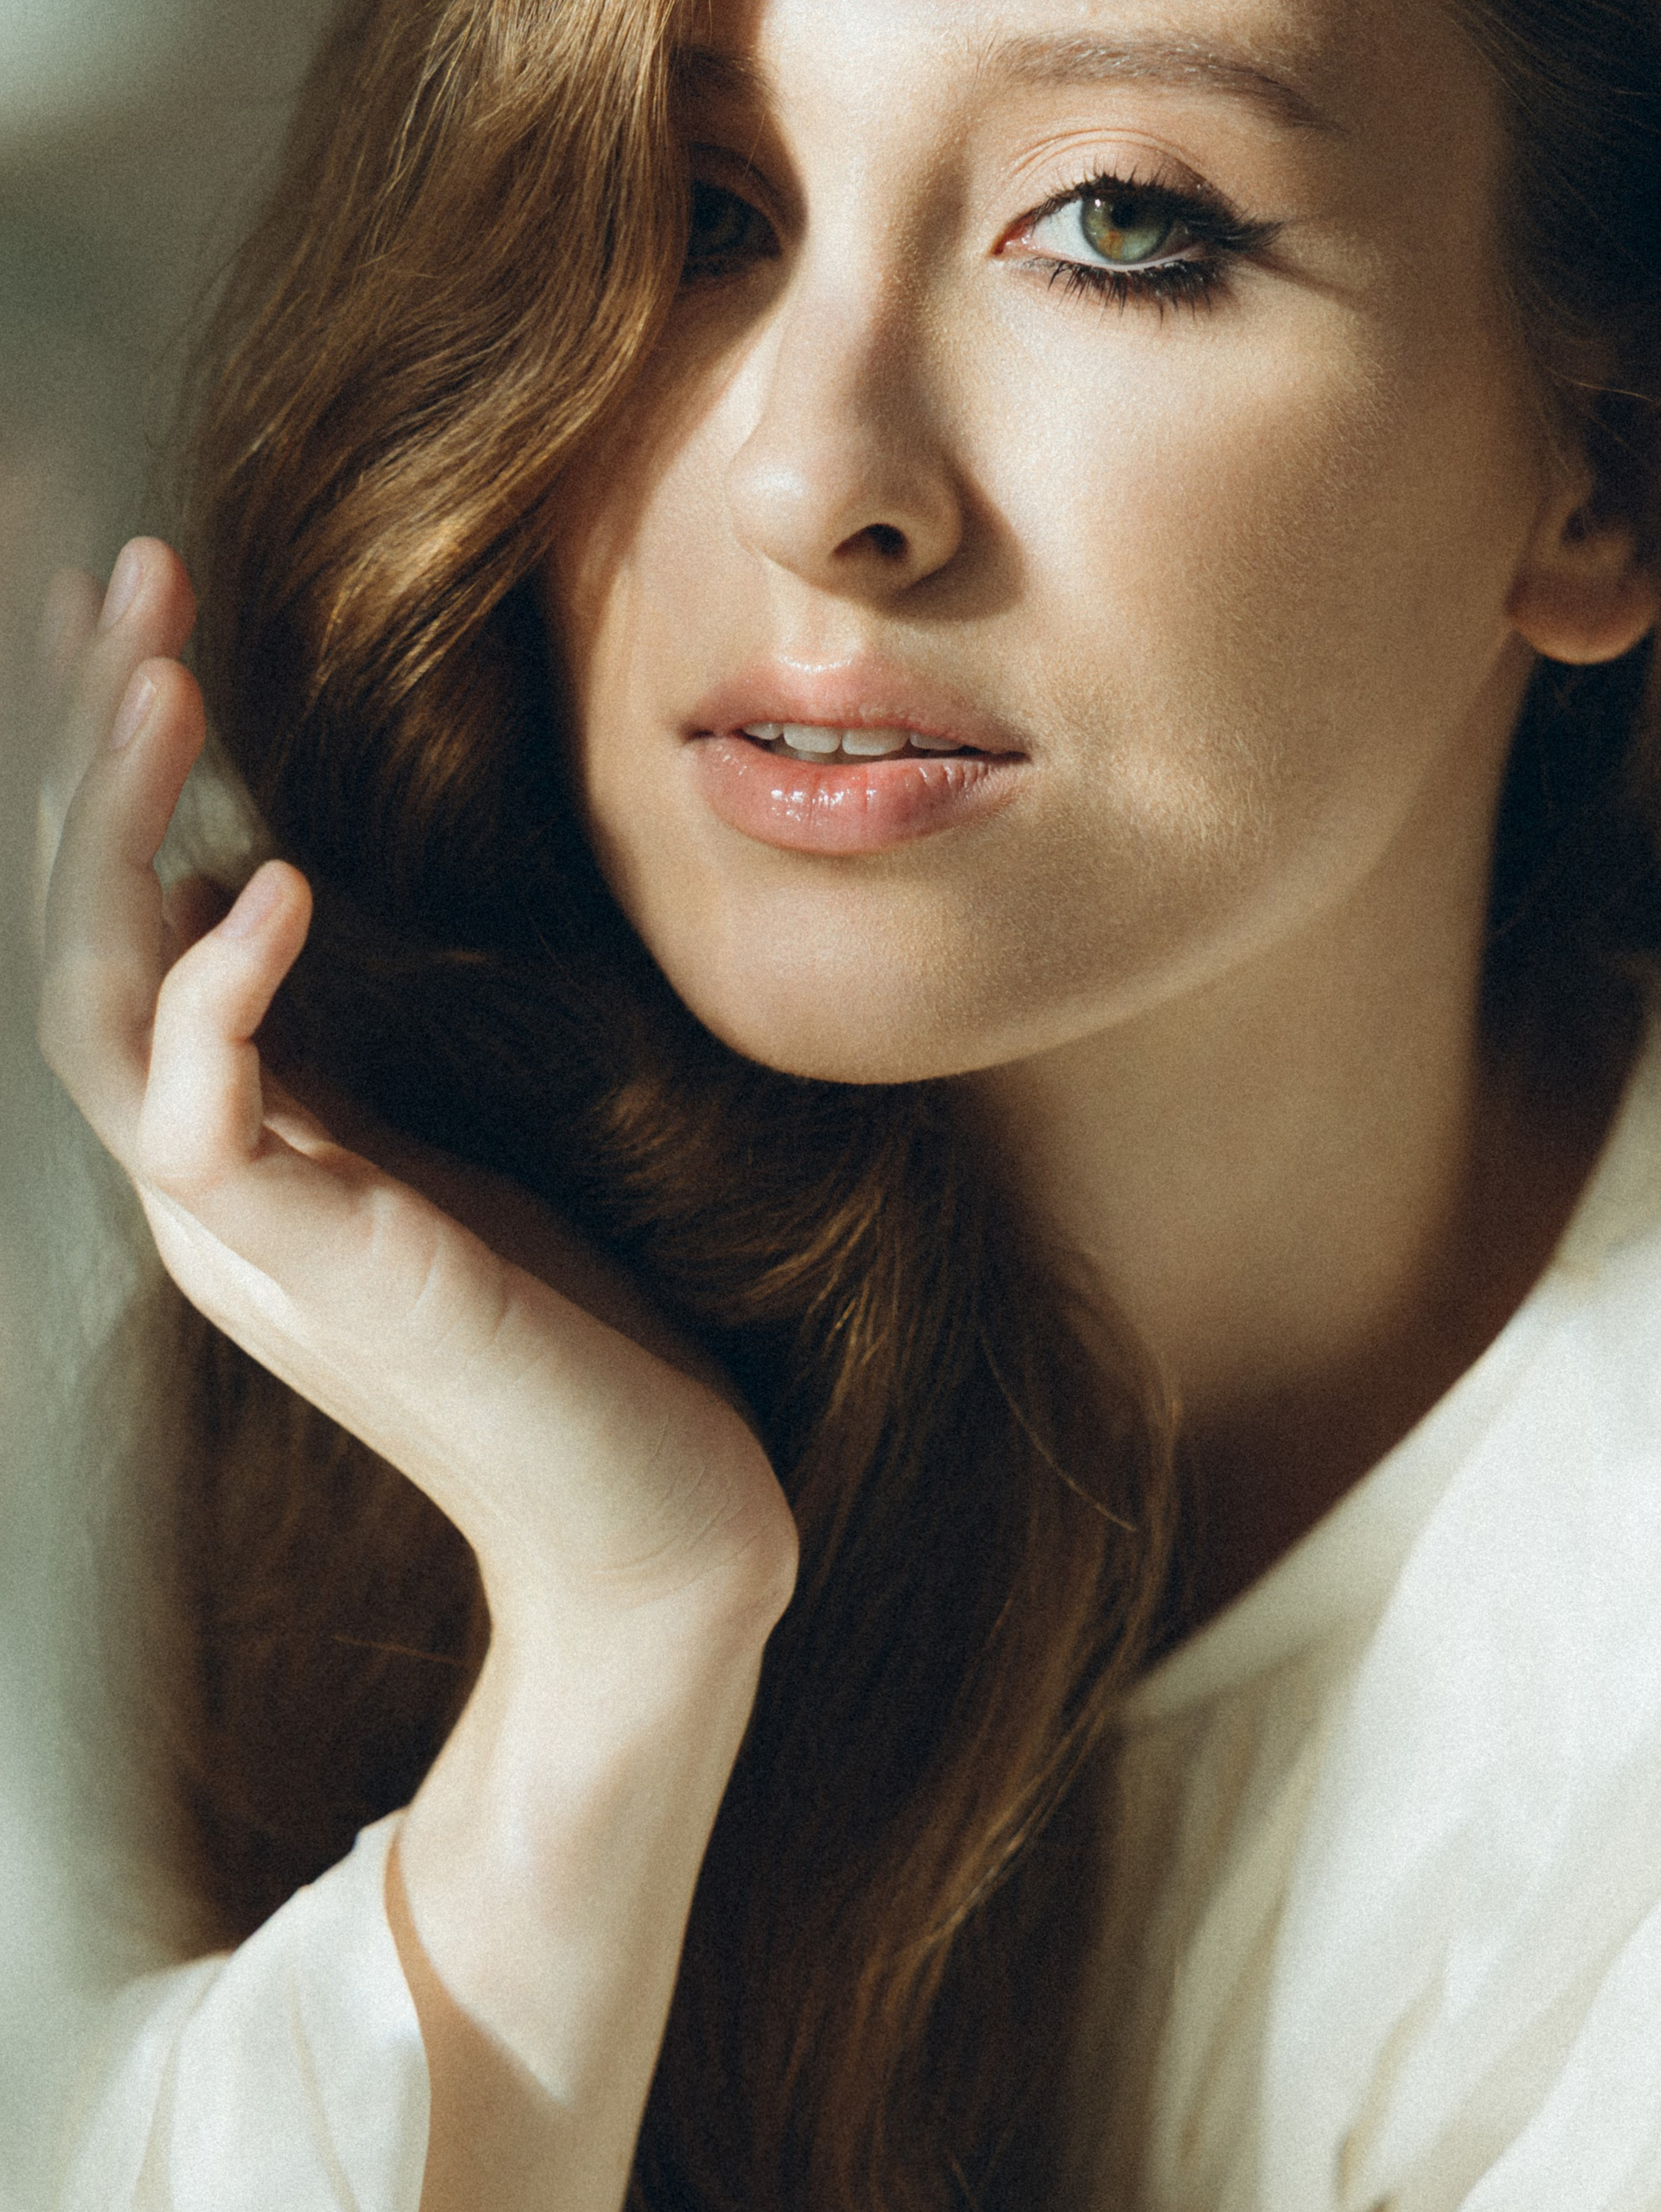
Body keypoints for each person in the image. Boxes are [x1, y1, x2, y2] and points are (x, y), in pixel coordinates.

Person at [29, 0, 1661, 2203]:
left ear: (1604, 465)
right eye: (702, 212)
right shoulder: (119, 1356)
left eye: (1121, 222)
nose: (813, 481)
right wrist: (619, 1634)